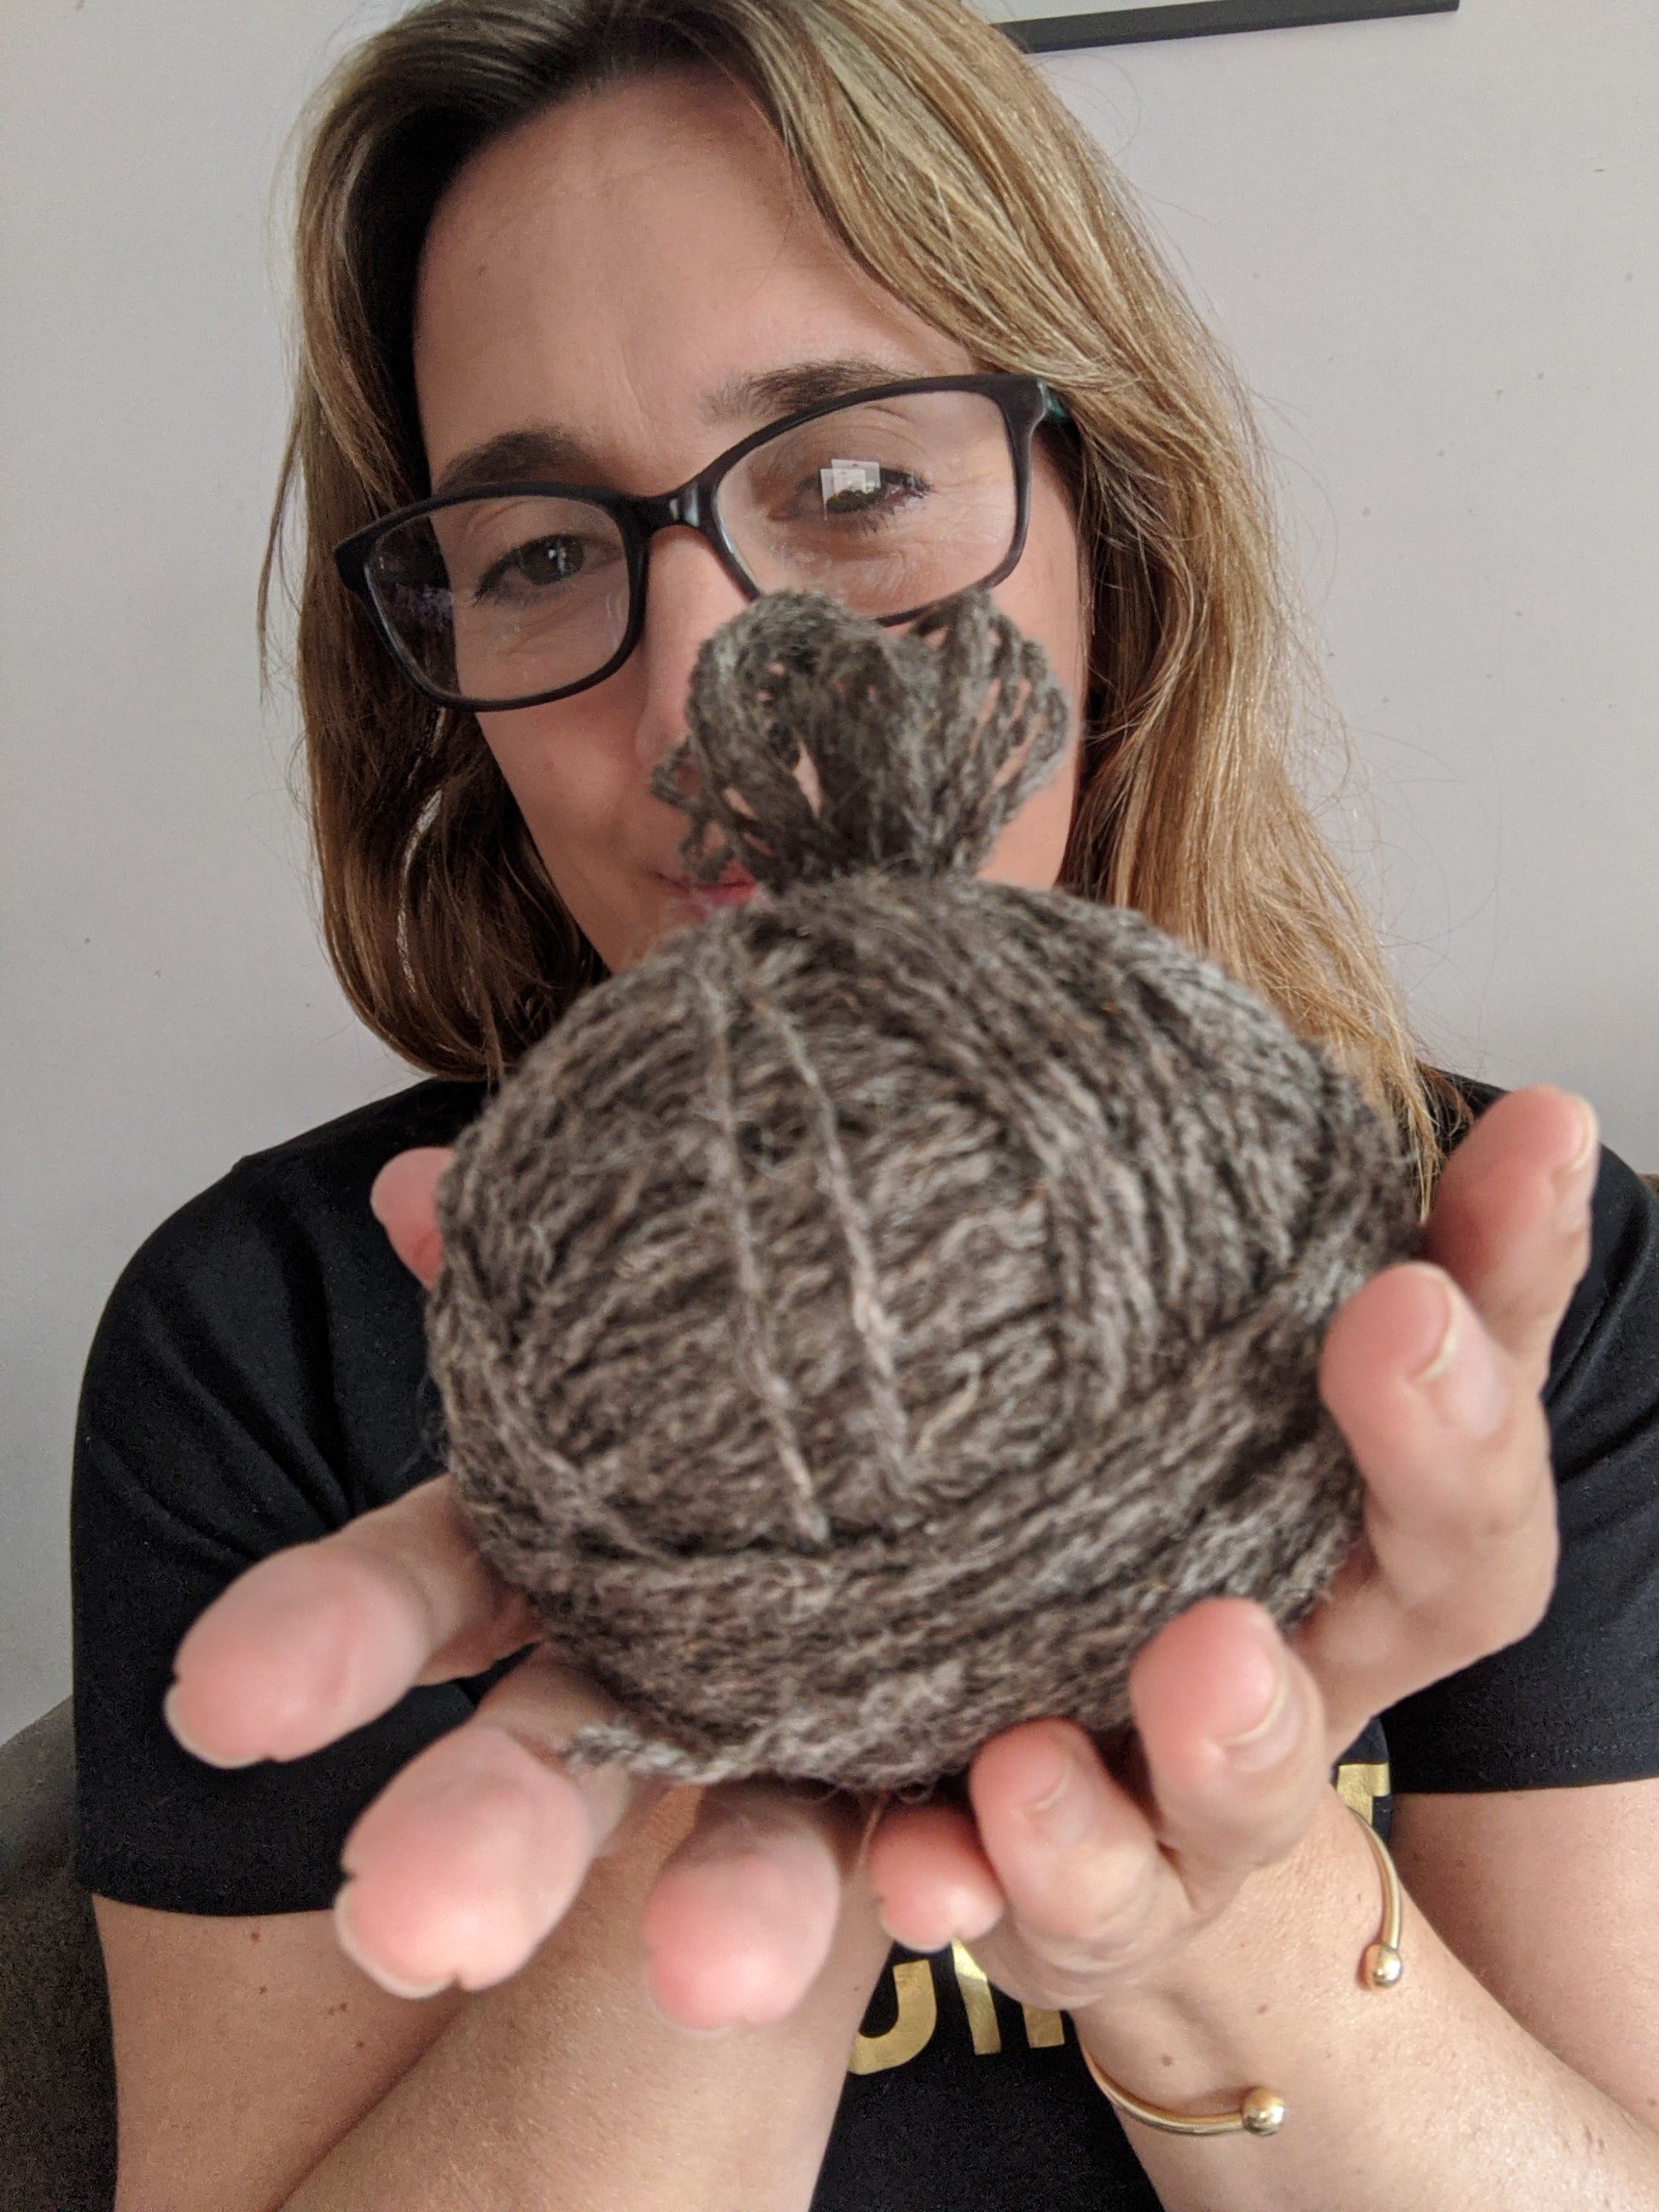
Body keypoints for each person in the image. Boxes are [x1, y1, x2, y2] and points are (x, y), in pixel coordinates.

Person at [69, 3, 1659, 2208]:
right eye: (539, 550)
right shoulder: (271, 1337)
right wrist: (717, 1690)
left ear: (1108, 510)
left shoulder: (1492, 1314)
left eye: (851, 482)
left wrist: (1219, 1871)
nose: (713, 671)